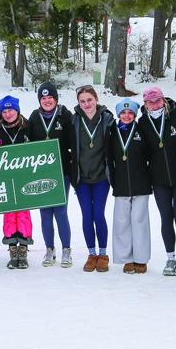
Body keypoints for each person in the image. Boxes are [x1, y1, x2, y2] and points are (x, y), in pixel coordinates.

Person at [138, 86, 176, 277]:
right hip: (159, 179)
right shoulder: (143, 122)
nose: (154, 105)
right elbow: (142, 152)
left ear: (164, 100)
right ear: (145, 104)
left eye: (157, 101)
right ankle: (170, 258)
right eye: (150, 102)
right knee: (166, 217)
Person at [69, 85, 115, 272]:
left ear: (96, 99)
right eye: (82, 101)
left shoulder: (107, 119)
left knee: (98, 214)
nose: (86, 104)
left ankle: (102, 254)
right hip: (82, 178)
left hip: (101, 177)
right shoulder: (74, 120)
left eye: (89, 100)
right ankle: (91, 254)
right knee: (87, 215)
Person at [28, 82, 74, 268]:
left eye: (50, 98)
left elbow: (73, 142)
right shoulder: (34, 116)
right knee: (45, 212)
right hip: (41, 172)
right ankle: (49, 249)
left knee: (61, 211)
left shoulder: (65, 115)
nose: (47, 101)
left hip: (62, 171)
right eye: (43, 98)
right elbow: (27, 142)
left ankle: (66, 249)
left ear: (56, 99)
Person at [107, 98, 151, 274]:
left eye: (130, 112)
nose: (126, 116)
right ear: (118, 114)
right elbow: (108, 158)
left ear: (135, 114)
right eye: (123, 113)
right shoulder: (112, 131)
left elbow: (150, 155)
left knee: (139, 221)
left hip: (141, 183)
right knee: (122, 221)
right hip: (121, 183)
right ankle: (126, 259)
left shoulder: (141, 130)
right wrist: (113, 181)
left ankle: (141, 259)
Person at [0, 95, 32, 270]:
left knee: (23, 215)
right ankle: (13, 251)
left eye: (11, 110)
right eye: (5, 111)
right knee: (9, 215)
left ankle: (23, 250)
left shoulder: (28, 126)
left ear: (17, 110)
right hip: (6, 180)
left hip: (25, 179)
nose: (8, 114)